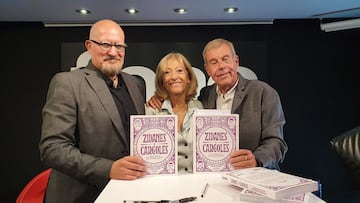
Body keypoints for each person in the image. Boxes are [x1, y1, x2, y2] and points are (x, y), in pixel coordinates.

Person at [39, 19, 147, 203]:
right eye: (105, 44)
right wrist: (108, 169)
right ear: (89, 46)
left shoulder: (135, 83)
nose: (113, 52)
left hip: (128, 193)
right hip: (82, 196)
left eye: (119, 46)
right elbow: (52, 149)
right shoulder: (67, 83)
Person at [148, 38, 287, 170]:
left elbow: (277, 142)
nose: (221, 66)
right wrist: (159, 97)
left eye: (225, 59)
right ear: (207, 70)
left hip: (255, 175)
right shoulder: (206, 96)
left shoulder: (263, 92)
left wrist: (256, 159)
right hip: (217, 179)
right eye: (214, 62)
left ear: (236, 61)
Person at [145, 52, 203, 173]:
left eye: (179, 70)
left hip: (197, 183)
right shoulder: (151, 112)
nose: (173, 77)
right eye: (167, 72)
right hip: (165, 186)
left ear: (188, 78)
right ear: (162, 82)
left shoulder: (200, 108)